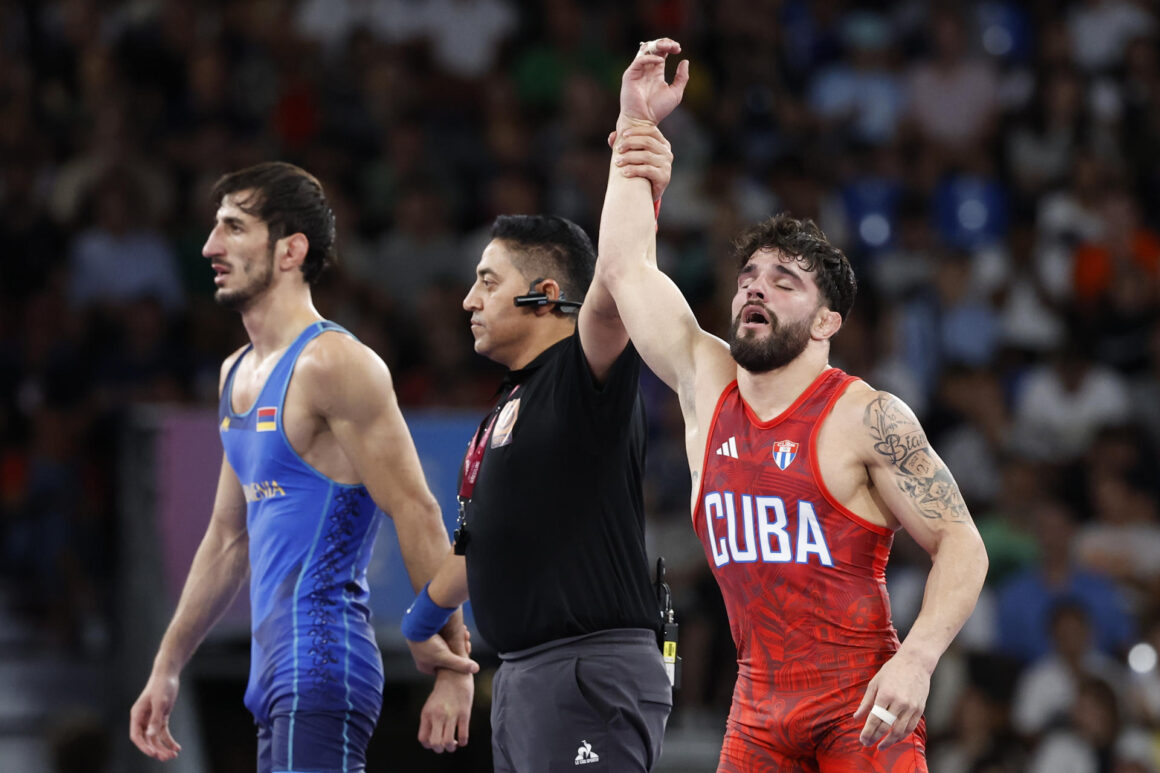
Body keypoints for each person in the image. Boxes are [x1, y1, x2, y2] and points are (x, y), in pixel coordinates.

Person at [597, 39, 989, 771]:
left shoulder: (867, 415)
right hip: (759, 705)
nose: (755, 287)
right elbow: (624, 269)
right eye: (749, 274)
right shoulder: (704, 382)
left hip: (860, 703)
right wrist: (636, 127)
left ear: (827, 322)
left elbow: (963, 544)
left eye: (784, 281)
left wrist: (919, 659)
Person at [128, 162, 476, 772]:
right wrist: (167, 666)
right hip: (274, 677)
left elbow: (415, 509)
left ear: (291, 249)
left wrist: (455, 667)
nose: (211, 246)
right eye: (215, 228)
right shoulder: (235, 372)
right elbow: (227, 538)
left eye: (234, 228)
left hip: (322, 664)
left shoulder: (336, 364)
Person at [400, 168, 677, 769]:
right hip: (527, 676)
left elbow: (618, 280)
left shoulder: (583, 376)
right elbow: (484, 543)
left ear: (545, 294)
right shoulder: (510, 404)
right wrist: (421, 622)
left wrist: (635, 161)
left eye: (487, 282)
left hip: (587, 671)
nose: (468, 300)